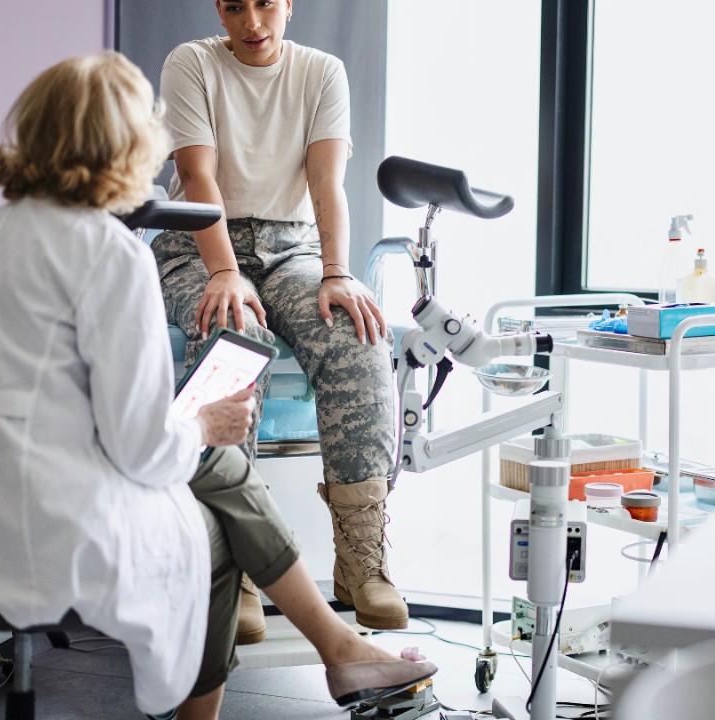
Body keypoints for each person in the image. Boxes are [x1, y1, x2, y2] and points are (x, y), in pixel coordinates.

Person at [0, 51, 434, 720]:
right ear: (132, 146)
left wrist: (195, 433)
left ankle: (340, 647)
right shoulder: (108, 252)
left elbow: (47, 396)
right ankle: (315, 658)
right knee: (213, 526)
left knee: (214, 468)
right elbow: (143, 449)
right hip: (41, 533)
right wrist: (206, 425)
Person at [153, 0, 408, 638]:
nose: (252, 22)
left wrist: (338, 271)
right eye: (235, 6)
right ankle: (229, 564)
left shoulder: (322, 72)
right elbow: (195, 173)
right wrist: (223, 271)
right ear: (219, 8)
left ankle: (363, 561)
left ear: (289, 4)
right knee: (234, 335)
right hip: (197, 244)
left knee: (357, 333)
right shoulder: (192, 63)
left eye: (266, 3)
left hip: (291, 247)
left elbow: (326, 180)